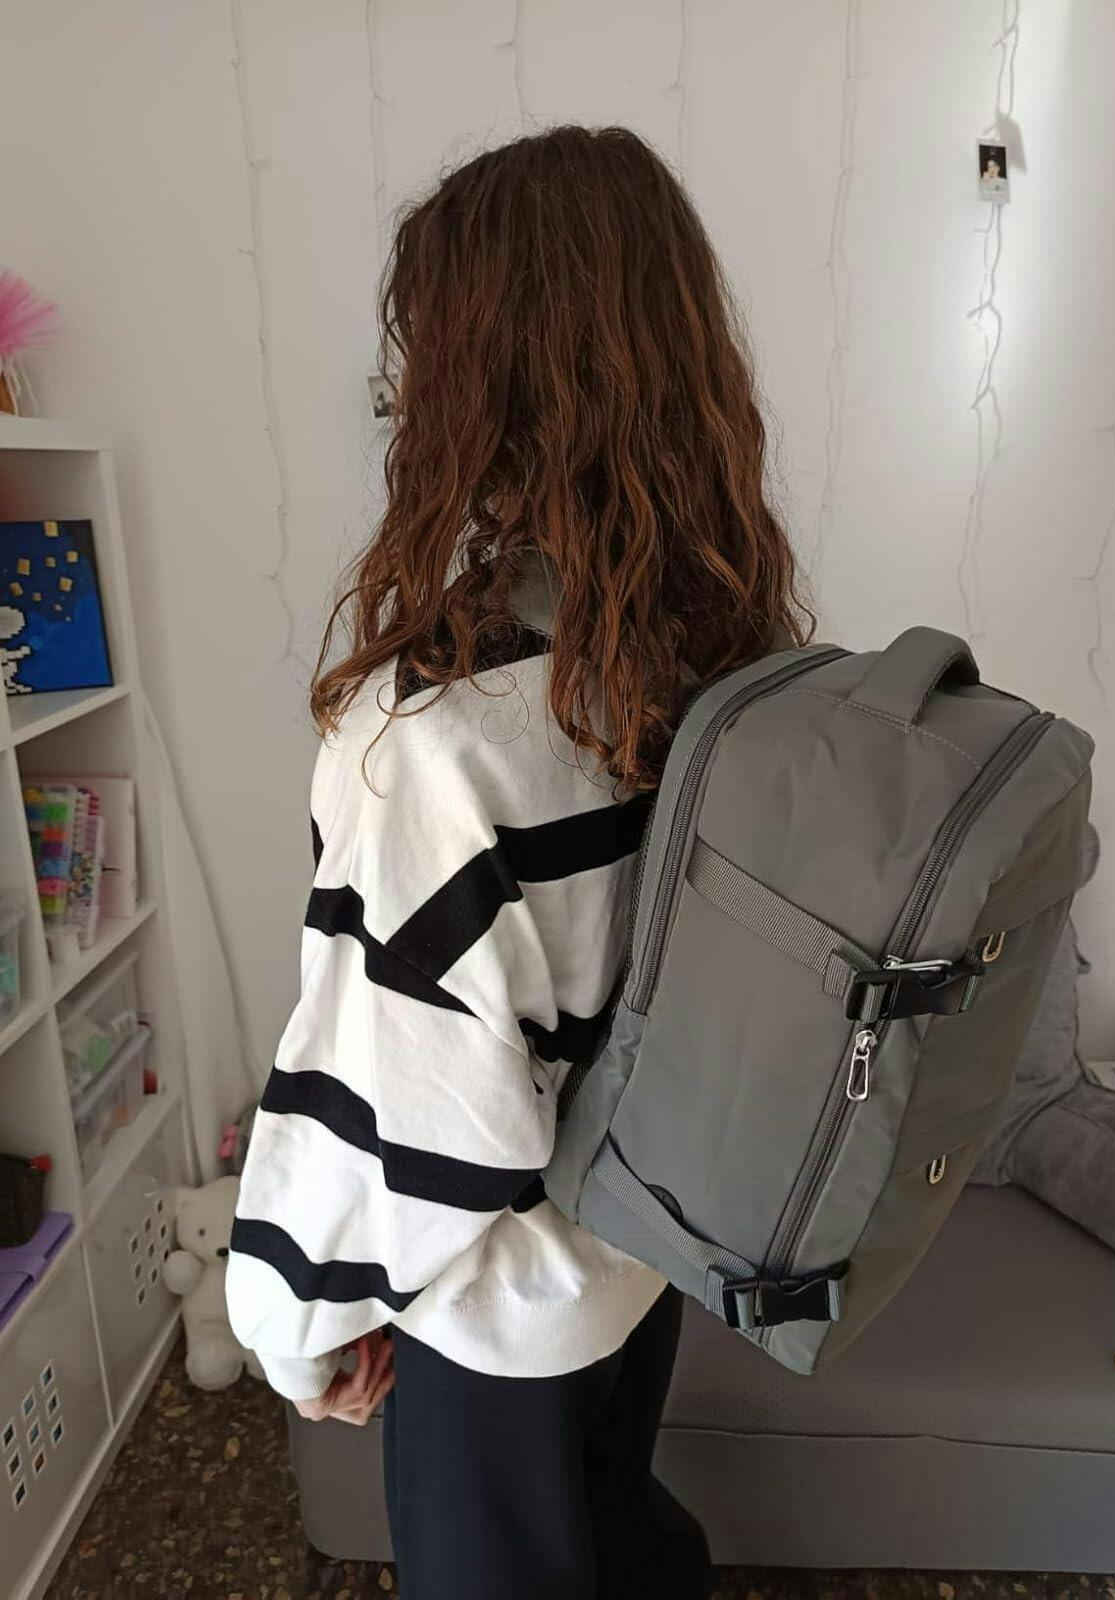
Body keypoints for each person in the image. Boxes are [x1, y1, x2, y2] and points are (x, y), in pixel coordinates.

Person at [226, 123, 812, 1600]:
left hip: (493, 1313)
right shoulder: (729, 656)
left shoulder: (432, 735)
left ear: (471, 391)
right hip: (640, 1257)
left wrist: (295, 1323)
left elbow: (411, 1110)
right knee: (615, 1534)